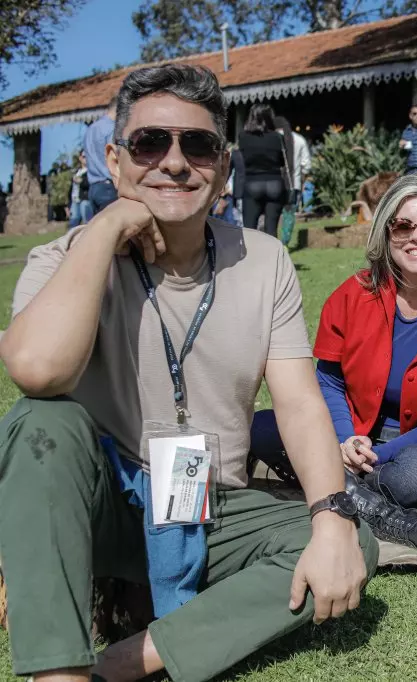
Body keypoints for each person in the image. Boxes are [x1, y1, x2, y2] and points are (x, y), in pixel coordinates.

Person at [0, 64, 377, 682]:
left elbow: (300, 404)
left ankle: (119, 664)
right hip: (101, 501)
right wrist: (108, 229)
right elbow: (38, 372)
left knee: (350, 542)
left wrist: (331, 516)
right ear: (116, 162)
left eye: (197, 145)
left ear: (223, 168)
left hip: (208, 505)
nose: (175, 163)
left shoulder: (264, 259)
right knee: (43, 424)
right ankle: (58, 675)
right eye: (151, 144)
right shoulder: (64, 259)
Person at [249, 173, 417, 557]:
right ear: (385, 233)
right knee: (260, 428)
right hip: (350, 434)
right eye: (403, 226)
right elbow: (329, 380)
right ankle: (375, 508)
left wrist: (383, 453)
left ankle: (331, 485)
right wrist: (344, 438)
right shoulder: (352, 294)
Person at [238, 103, 287, 236]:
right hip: (274, 183)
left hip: (252, 182)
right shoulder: (278, 137)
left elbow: (243, 159)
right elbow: (282, 161)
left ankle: (253, 256)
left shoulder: (243, 137)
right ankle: (273, 256)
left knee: (250, 231)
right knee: (271, 230)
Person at [83, 97, 119, 214]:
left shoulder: (91, 129)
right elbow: (117, 156)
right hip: (108, 186)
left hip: (93, 187)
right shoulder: (111, 129)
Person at [274, 115, 311, 207]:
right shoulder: (300, 139)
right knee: (290, 214)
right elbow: (306, 165)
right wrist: (302, 179)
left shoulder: (271, 139)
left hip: (273, 184)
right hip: (294, 183)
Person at [68, 151, 92, 229]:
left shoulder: (91, 171)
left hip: (85, 200)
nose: (86, 158)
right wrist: (68, 204)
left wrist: (81, 181)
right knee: (73, 224)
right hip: (75, 201)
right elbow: (71, 189)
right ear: (80, 158)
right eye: (84, 156)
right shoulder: (77, 172)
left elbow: (90, 184)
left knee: (87, 223)